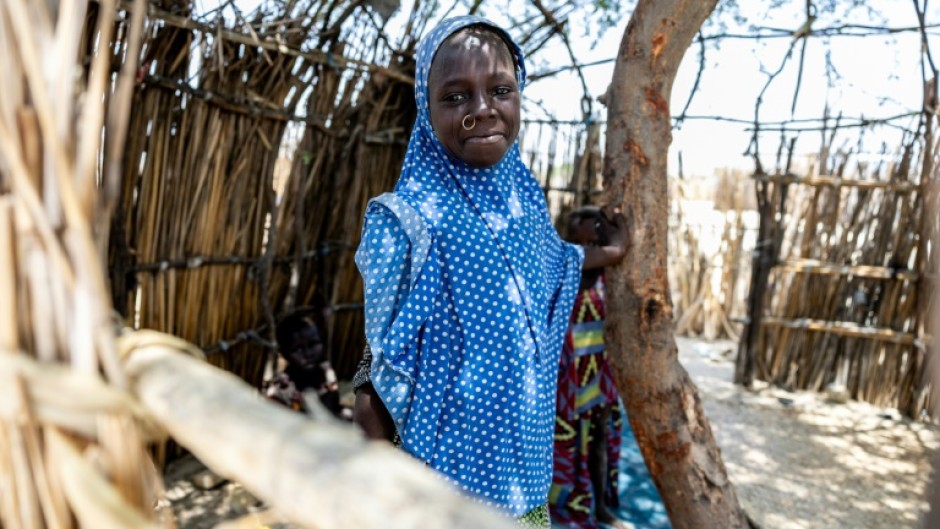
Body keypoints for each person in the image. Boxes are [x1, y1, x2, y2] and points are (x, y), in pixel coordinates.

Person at [351, 16, 626, 528]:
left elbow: (551, 265)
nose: (482, 110)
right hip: (442, 494)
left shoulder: (524, 200)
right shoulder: (405, 220)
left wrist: (604, 257)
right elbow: (375, 371)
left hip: (522, 481)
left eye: (500, 89)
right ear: (424, 110)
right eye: (455, 97)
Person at [549, 207, 629, 529]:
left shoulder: (611, 278)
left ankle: (600, 509)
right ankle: (557, 501)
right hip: (563, 378)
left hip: (597, 376)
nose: (585, 244)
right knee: (557, 442)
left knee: (597, 441)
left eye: (592, 236)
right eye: (577, 236)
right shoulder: (559, 271)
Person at [265, 311, 343, 418]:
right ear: (284, 353)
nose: (308, 354)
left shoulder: (327, 372)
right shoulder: (280, 390)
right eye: (297, 349)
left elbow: (335, 407)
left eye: (313, 344)